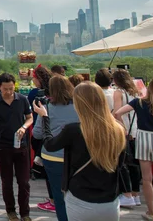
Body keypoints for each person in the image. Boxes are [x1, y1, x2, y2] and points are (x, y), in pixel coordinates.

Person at [35, 81, 126, 221]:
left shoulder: (74, 130)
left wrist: (45, 117)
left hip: (80, 198)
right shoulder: (118, 129)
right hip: (110, 201)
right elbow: (120, 165)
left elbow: (49, 145)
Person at [115, 77, 153, 221]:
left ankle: (151, 212)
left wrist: (123, 128)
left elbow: (117, 113)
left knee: (147, 179)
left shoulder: (139, 102)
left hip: (144, 138)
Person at [32, 75, 79, 221]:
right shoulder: (79, 106)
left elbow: (37, 133)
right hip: (75, 155)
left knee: (59, 196)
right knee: (76, 194)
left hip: (52, 156)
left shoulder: (46, 108)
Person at [0, 72, 33, 221]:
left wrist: (24, 127)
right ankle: (11, 211)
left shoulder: (22, 99)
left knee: (24, 182)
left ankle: (25, 213)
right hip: (3, 146)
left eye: (11, 88)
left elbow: (29, 117)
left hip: (21, 146)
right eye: (5, 89)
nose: (8, 92)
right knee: (7, 182)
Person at [112, 68, 141, 208]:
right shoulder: (136, 92)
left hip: (125, 130)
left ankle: (127, 194)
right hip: (136, 130)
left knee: (123, 164)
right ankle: (136, 194)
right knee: (135, 164)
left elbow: (117, 113)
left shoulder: (119, 93)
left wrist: (121, 128)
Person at [28, 65, 54, 213]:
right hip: (58, 133)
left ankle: (53, 200)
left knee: (48, 167)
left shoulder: (36, 95)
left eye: (34, 78)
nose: (33, 80)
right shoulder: (56, 92)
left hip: (43, 130)